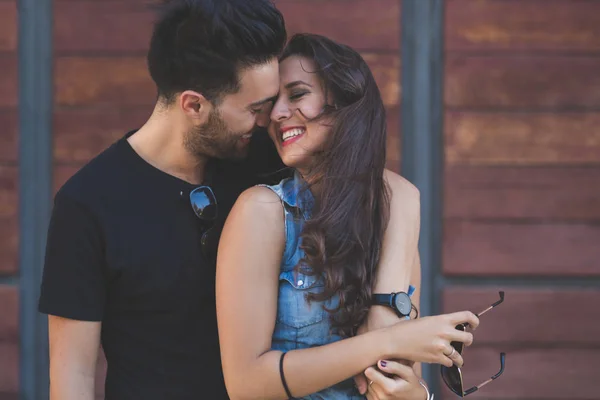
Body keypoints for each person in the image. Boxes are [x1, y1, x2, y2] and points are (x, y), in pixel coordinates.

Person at [36, 1, 453, 399]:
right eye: (257, 107)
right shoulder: (88, 204)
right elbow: (72, 375)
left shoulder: (265, 157)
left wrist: (387, 316)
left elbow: (379, 183)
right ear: (195, 105)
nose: (269, 119)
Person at [216, 34, 479, 400]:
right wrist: (386, 341)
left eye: (296, 95)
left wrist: (416, 395)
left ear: (344, 102)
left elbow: (402, 378)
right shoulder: (263, 213)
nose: (275, 115)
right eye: (273, 102)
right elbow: (246, 385)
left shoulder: (389, 227)